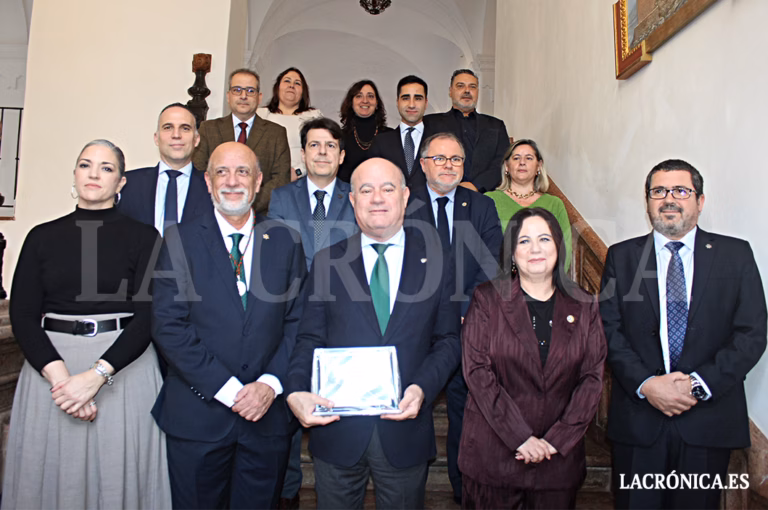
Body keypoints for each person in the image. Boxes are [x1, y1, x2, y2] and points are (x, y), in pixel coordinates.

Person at [285, 158, 462, 510]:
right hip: (337, 430)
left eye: (387, 188)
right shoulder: (326, 262)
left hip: (405, 432)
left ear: (405, 196)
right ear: (353, 200)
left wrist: (422, 389)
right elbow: (309, 339)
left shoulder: (439, 260)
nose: (377, 198)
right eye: (366, 190)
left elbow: (448, 340)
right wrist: (294, 390)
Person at [3, 140, 170, 510]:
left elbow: (148, 316)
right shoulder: (41, 236)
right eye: (85, 164)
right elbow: (23, 314)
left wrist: (96, 377)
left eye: (106, 168)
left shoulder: (145, 238)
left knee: (118, 478)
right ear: (75, 173)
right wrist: (63, 381)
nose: (94, 174)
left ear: (121, 182)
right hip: (51, 371)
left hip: (122, 368)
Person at [600, 159, 767, 510]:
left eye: (681, 190)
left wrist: (696, 385)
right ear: (647, 201)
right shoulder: (622, 257)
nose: (669, 199)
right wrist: (647, 384)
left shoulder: (736, 255)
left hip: (708, 421)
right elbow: (608, 329)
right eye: (659, 191)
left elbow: (751, 332)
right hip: (639, 421)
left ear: (700, 201)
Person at [151, 142, 306, 509]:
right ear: (208, 181)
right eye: (222, 172)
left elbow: (299, 323)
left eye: (242, 172)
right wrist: (227, 389)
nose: (232, 181)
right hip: (198, 418)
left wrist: (270, 384)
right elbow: (169, 326)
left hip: (267, 418)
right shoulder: (179, 240)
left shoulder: (286, 240)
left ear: (258, 182)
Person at [459, 207, 606, 510]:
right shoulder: (487, 299)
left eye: (544, 239)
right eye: (524, 241)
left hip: (557, 462)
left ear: (558, 247)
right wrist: (520, 437)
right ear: (511, 253)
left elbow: (592, 378)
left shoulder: (584, 304)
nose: (535, 249)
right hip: (494, 457)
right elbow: (477, 372)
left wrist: (556, 440)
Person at [405, 132, 502, 504]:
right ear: (423, 163)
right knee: (415, 400)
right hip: (414, 324)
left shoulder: (481, 206)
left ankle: (464, 490)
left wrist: (466, 313)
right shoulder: (404, 203)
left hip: (468, 323)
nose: (448, 165)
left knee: (464, 407)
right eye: (440, 158)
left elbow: (491, 264)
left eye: (456, 159)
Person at [267, 116, 357, 509]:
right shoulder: (280, 197)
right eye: (315, 145)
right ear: (303, 154)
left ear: (342, 155)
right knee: (290, 397)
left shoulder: (355, 195)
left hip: (342, 314)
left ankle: (338, 482)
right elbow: (274, 255)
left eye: (330, 146)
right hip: (289, 313)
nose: (322, 152)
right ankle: (288, 491)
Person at [192, 68, 291, 214]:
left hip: (259, 216)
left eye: (250, 91)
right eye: (237, 90)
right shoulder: (208, 129)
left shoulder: (276, 133)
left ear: (259, 97)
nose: (243, 96)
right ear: (228, 96)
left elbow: (281, 180)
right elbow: (198, 174)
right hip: (214, 214)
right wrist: (224, 205)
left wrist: (244, 206)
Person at [118, 103, 211, 235]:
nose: (176, 135)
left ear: (196, 139)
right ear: (156, 138)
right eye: (168, 127)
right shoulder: (127, 184)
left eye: (185, 128)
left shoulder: (212, 187)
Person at [485, 139, 572, 271]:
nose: (522, 162)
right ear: (507, 166)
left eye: (529, 158)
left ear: (539, 166)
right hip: (500, 279)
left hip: (544, 279)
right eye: (516, 158)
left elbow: (565, 249)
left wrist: (550, 280)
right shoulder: (489, 200)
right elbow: (481, 247)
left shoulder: (554, 204)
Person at [424, 69, 509, 193]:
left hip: (484, 195)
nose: (467, 91)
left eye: (472, 87)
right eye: (460, 86)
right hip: (441, 194)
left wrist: (476, 185)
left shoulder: (496, 126)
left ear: (477, 92)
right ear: (450, 91)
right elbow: (425, 159)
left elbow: (502, 162)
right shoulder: (430, 123)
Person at [257, 67, 323, 182]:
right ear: (277, 87)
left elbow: (320, 151)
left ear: (303, 91)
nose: (291, 85)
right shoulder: (261, 115)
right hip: (266, 180)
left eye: (297, 83)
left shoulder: (313, 117)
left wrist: (298, 172)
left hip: (301, 180)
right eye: (287, 81)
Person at [369, 75, 436, 189]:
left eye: (418, 98)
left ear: (426, 103)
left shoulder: (438, 141)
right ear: (397, 102)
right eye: (405, 98)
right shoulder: (380, 142)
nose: (411, 105)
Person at [336, 80, 392, 183]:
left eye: (370, 96)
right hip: (348, 192)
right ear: (351, 103)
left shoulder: (391, 136)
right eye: (359, 96)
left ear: (377, 103)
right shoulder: (339, 137)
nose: (365, 101)